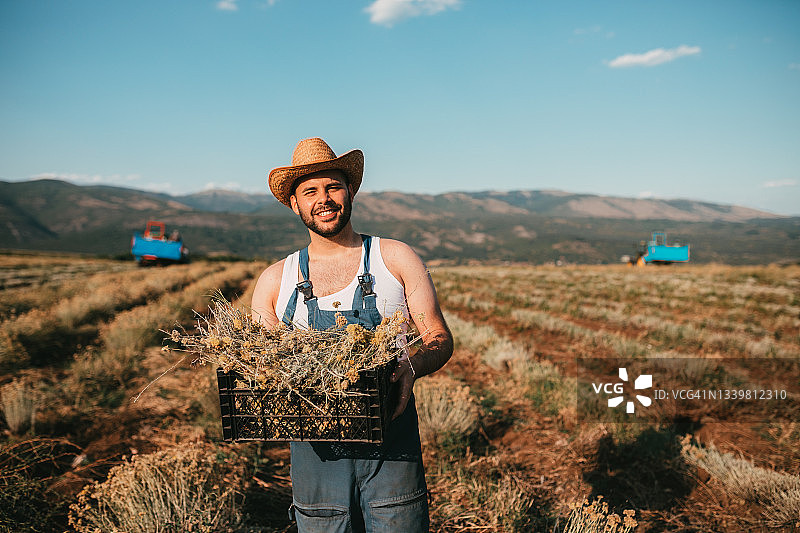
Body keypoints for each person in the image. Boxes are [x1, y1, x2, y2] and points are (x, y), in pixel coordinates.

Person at [251, 137, 453, 532]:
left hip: (391, 449)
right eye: (309, 191)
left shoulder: (394, 257)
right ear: (294, 203)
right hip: (315, 457)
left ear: (350, 191)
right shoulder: (276, 280)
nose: (323, 198)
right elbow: (263, 366)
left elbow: (439, 337)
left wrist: (411, 366)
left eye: (333, 186)